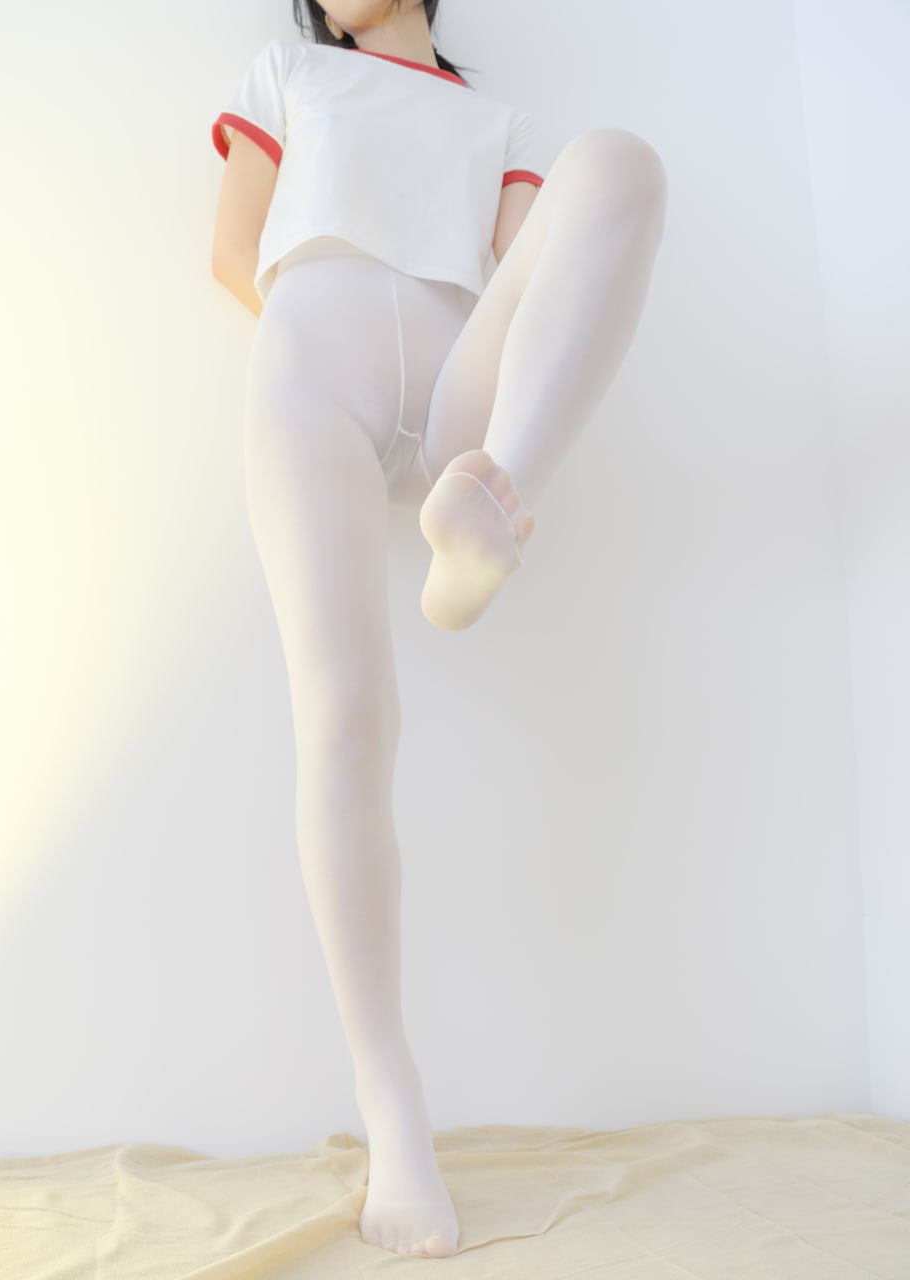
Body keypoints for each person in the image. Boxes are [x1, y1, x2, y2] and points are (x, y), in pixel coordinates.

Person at [211, 0, 667, 1258]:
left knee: (620, 163)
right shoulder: (291, 72)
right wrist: (325, 359)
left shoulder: (497, 121)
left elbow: (539, 295)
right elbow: (233, 250)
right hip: (315, 372)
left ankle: (492, 497)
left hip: (464, 381)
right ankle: (392, 1104)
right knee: (349, 716)